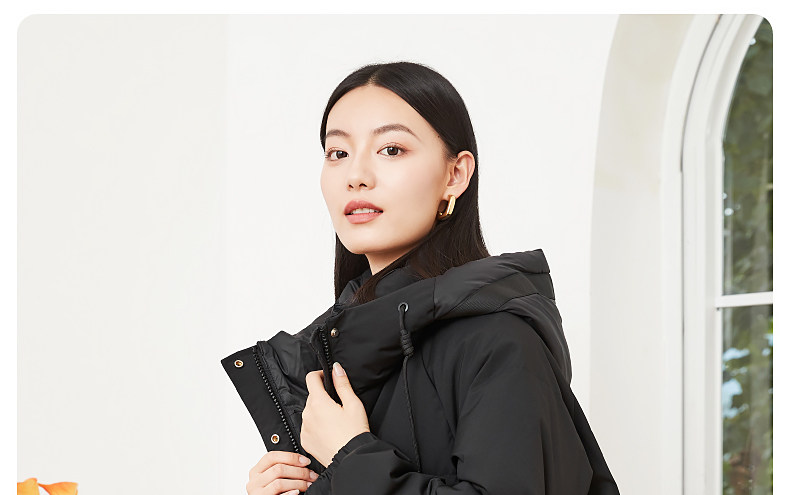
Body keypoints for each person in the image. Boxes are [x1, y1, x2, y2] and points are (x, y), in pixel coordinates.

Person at [221, 61, 620, 495]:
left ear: (455, 175)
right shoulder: (340, 354)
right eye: (338, 153)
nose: (356, 176)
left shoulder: (500, 341)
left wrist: (350, 456)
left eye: (391, 149)